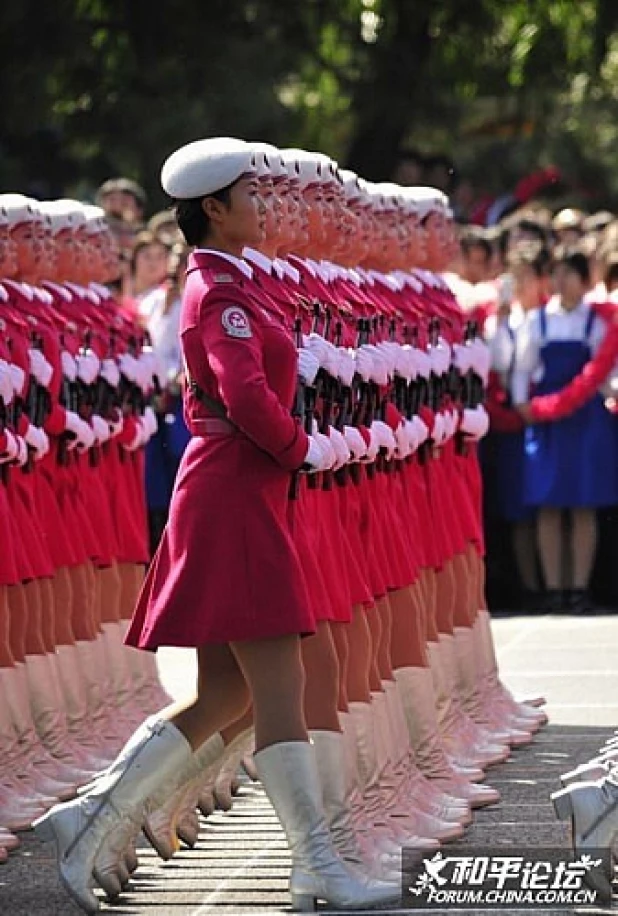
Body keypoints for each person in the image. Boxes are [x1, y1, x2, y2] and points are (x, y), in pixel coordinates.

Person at [33, 137, 399, 914]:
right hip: (235, 492)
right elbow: (243, 394)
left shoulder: (236, 283)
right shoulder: (220, 293)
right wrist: (304, 447)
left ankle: (91, 817)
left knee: (226, 695)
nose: (264, 207)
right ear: (215, 208)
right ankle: (317, 865)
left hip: (243, 491)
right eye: (251, 196)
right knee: (279, 686)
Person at [512, 250, 618, 612]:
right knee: (549, 504)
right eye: (557, 274)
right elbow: (522, 368)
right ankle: (553, 587)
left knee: (584, 504)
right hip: (547, 417)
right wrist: (521, 403)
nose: (562, 282)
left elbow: (606, 368)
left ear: (585, 280)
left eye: (570, 275)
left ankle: (578, 587)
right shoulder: (538, 321)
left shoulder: (596, 321)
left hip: (586, 418)